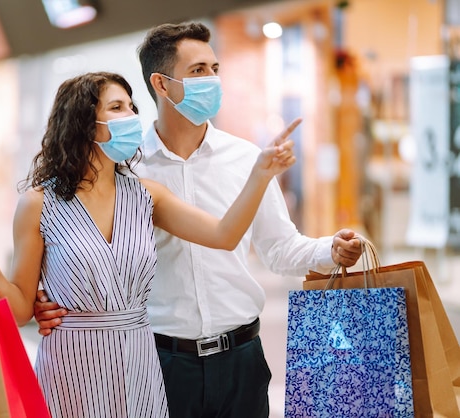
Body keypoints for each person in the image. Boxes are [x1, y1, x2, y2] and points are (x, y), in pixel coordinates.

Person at [34, 23, 364, 418]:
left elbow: (279, 248)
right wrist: (49, 299)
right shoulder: (125, 169)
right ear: (161, 83)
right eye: (197, 71)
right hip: (160, 363)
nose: (211, 80)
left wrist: (331, 250)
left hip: (242, 358)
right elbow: (81, 241)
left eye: (214, 68)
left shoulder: (246, 159)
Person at [0, 71, 299, 418]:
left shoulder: (146, 196)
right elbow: (21, 308)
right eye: (117, 107)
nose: (132, 116)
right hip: (70, 369)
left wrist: (261, 174)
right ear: (85, 123)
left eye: (131, 106)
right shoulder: (39, 204)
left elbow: (224, 235)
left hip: (139, 365)